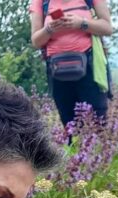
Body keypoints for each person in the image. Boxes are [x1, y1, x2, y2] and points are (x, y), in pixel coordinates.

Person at [30, 0, 113, 128]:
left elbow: (107, 28)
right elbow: (36, 41)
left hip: (90, 67)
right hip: (57, 70)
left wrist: (82, 23)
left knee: (97, 124)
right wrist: (49, 29)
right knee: (70, 127)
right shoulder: (41, 2)